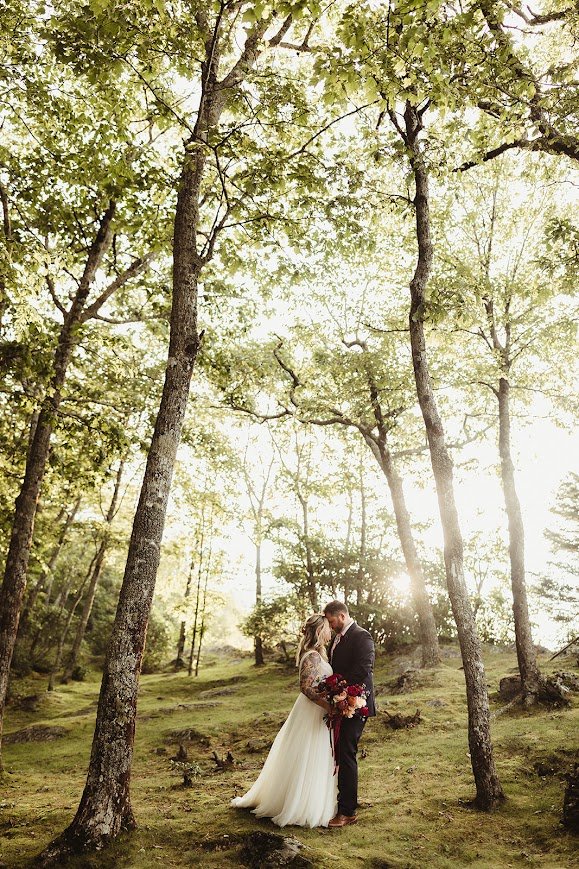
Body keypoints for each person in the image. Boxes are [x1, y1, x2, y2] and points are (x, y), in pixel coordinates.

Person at [230, 613, 338, 827]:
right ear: (319, 631)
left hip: (318, 711)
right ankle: (299, 805)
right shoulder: (312, 657)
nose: (330, 632)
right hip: (311, 711)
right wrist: (329, 706)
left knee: (315, 755)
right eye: (326, 628)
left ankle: (313, 800)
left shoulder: (318, 654)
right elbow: (306, 687)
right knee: (307, 754)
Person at [323, 599, 375, 828]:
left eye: (332, 621)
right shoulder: (337, 638)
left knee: (346, 752)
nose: (331, 626)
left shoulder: (361, 636)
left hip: (357, 703)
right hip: (341, 703)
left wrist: (341, 689)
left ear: (341, 616)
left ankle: (348, 811)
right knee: (339, 752)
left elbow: (363, 669)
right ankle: (340, 802)